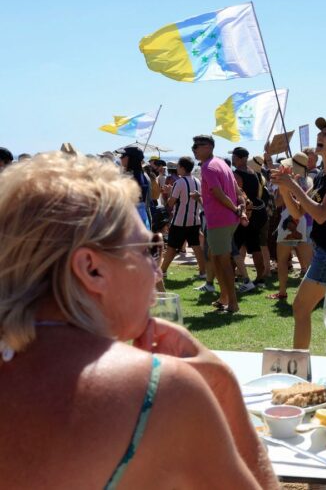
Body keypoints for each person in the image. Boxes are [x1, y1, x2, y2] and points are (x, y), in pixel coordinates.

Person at [0, 152, 277, 488]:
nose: (157, 269)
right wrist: (225, 389)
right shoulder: (162, 389)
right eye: (147, 251)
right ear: (92, 269)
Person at [272, 118, 326, 349]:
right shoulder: (322, 176)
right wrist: (284, 187)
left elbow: (320, 215)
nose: (320, 136)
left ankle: (300, 364)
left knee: (301, 307)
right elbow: (297, 213)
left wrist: (293, 185)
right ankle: (303, 361)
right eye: (321, 132)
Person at [193, 135, 244, 314]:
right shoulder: (222, 163)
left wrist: (236, 208)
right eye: (193, 146)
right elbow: (237, 190)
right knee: (215, 257)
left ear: (209, 146)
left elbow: (218, 193)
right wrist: (240, 207)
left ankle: (233, 303)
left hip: (220, 219)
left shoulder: (208, 167)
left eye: (197, 146)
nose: (194, 149)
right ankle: (224, 297)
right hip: (227, 219)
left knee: (223, 262)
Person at [269, 152, 314, 302]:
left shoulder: (287, 181)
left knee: (282, 261)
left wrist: (281, 188)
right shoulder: (310, 181)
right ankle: (313, 294)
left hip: (288, 222)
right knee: (309, 264)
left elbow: (278, 203)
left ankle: (282, 292)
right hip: (307, 223)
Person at [159, 157, 205, 279]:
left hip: (180, 221)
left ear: (183, 168)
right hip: (194, 219)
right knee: (196, 247)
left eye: (178, 166)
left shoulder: (179, 183)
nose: (177, 169)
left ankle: (162, 271)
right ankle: (203, 272)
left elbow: (170, 203)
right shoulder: (197, 181)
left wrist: (168, 192)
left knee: (171, 247)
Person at [231, 147, 268, 292]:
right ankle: (260, 279)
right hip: (257, 215)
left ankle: (230, 276)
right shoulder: (255, 173)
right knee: (255, 247)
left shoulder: (237, 175)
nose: (233, 160)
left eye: (234, 157)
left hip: (244, 215)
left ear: (240, 158)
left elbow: (237, 195)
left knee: (233, 247)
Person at [117, 146, 152, 230]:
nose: (120, 158)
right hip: (144, 217)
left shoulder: (127, 177)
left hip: (130, 221)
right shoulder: (145, 176)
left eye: (122, 155)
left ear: (129, 158)